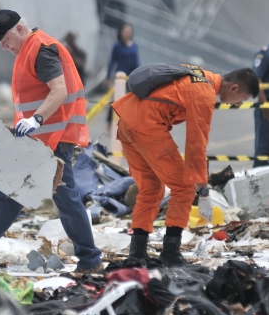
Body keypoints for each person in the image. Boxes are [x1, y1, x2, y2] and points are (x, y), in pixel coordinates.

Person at [0, 9, 103, 274]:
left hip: (50, 138)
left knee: (12, 196)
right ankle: (90, 260)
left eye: (5, 40)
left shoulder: (41, 49)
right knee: (51, 198)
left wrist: (36, 120)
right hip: (40, 140)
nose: (4, 47)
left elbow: (59, 90)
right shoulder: (27, 51)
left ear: (19, 29)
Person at [111, 66, 259, 267]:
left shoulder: (200, 75)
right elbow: (196, 145)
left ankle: (137, 255)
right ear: (233, 88)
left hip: (128, 121)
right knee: (184, 187)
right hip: (147, 126)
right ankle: (170, 253)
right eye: (241, 98)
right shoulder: (204, 95)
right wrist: (203, 191)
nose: (238, 104)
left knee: (151, 189)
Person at [105, 23, 140, 129]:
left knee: (132, 100)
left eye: (129, 32)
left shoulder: (134, 46)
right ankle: (109, 123)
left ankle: (130, 124)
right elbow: (112, 61)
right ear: (121, 33)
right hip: (120, 77)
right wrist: (108, 76)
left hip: (131, 76)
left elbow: (137, 62)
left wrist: (139, 75)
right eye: (125, 32)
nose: (127, 34)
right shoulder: (117, 46)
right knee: (115, 100)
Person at [252, 46, 269, 168]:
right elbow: (257, 80)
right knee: (263, 150)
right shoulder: (264, 54)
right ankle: (257, 184)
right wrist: (265, 105)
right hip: (266, 111)